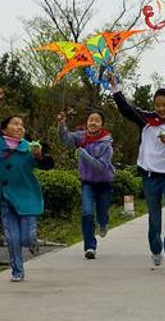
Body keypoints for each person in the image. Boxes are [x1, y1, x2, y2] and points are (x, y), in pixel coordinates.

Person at [110, 73, 165, 267]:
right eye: (157, 105)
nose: (161, 109)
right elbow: (127, 109)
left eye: (164, 105)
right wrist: (116, 88)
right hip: (149, 176)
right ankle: (156, 249)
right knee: (154, 217)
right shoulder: (147, 120)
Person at [0, 87, 46, 282]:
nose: (20, 127)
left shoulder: (30, 148)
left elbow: (46, 164)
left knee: (27, 237)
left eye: (22, 125)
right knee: (12, 238)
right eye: (15, 124)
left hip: (26, 197)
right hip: (5, 197)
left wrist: (40, 156)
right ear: (4, 129)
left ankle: (33, 242)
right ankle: (17, 271)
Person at [57, 110, 114, 260]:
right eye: (90, 120)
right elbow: (65, 139)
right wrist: (62, 124)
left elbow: (101, 167)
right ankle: (90, 246)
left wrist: (83, 155)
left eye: (96, 121)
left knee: (102, 213)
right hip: (87, 182)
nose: (92, 123)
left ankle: (103, 223)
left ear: (102, 124)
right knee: (87, 213)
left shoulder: (106, 144)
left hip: (104, 183)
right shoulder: (81, 136)